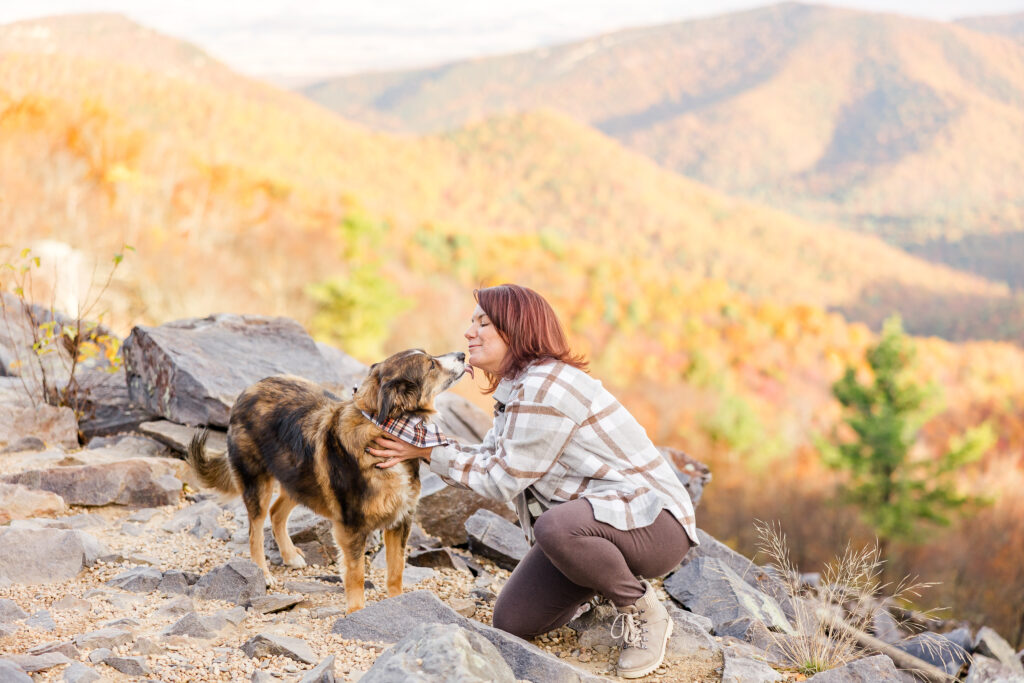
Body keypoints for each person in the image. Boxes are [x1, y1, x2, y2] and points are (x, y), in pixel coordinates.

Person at [369, 284, 699, 679]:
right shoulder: (519, 388)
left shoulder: (547, 388)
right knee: (514, 621)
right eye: (471, 323)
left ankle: (641, 608)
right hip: (600, 526)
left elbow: (500, 481)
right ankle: (598, 579)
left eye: (483, 323)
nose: (469, 333)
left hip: (654, 524)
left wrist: (426, 452)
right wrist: (420, 445)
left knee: (554, 527)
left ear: (516, 330)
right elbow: (491, 459)